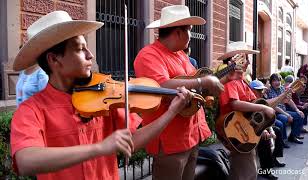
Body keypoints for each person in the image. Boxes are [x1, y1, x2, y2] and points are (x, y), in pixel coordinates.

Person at [10, 11, 193, 180]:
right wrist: (99, 148)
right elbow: (26, 161)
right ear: (54, 59)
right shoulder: (31, 109)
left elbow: (134, 141)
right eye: (80, 49)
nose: (90, 55)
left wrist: (171, 112)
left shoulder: (104, 97)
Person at [134, 5, 224, 180]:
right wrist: (202, 81)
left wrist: (217, 81)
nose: (191, 36)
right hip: (170, 140)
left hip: (191, 136)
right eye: (189, 31)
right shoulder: (148, 55)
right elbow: (161, 86)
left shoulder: (181, 54)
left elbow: (193, 85)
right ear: (178, 33)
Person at [217, 41, 275, 180]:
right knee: (245, 173)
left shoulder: (241, 80)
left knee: (246, 171)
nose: (248, 62)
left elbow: (254, 104)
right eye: (246, 58)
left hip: (244, 129)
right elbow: (236, 104)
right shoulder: (232, 80)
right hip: (235, 130)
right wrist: (263, 107)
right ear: (237, 59)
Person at [249, 80, 286, 180]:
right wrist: (263, 130)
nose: (261, 92)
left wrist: (270, 130)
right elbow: (250, 120)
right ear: (252, 90)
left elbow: (266, 119)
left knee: (277, 130)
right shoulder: (249, 102)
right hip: (250, 129)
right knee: (264, 139)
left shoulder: (261, 100)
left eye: (262, 90)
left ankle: (274, 158)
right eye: (259, 90)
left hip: (261, 127)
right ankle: (266, 170)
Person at [265, 73, 305, 144]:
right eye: (274, 81)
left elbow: (289, 100)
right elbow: (274, 106)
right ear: (271, 82)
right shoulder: (269, 91)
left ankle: (293, 136)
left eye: (278, 80)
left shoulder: (282, 88)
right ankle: (283, 140)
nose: (277, 82)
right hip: (276, 112)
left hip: (284, 110)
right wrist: (287, 114)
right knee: (284, 118)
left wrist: (297, 110)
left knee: (299, 115)